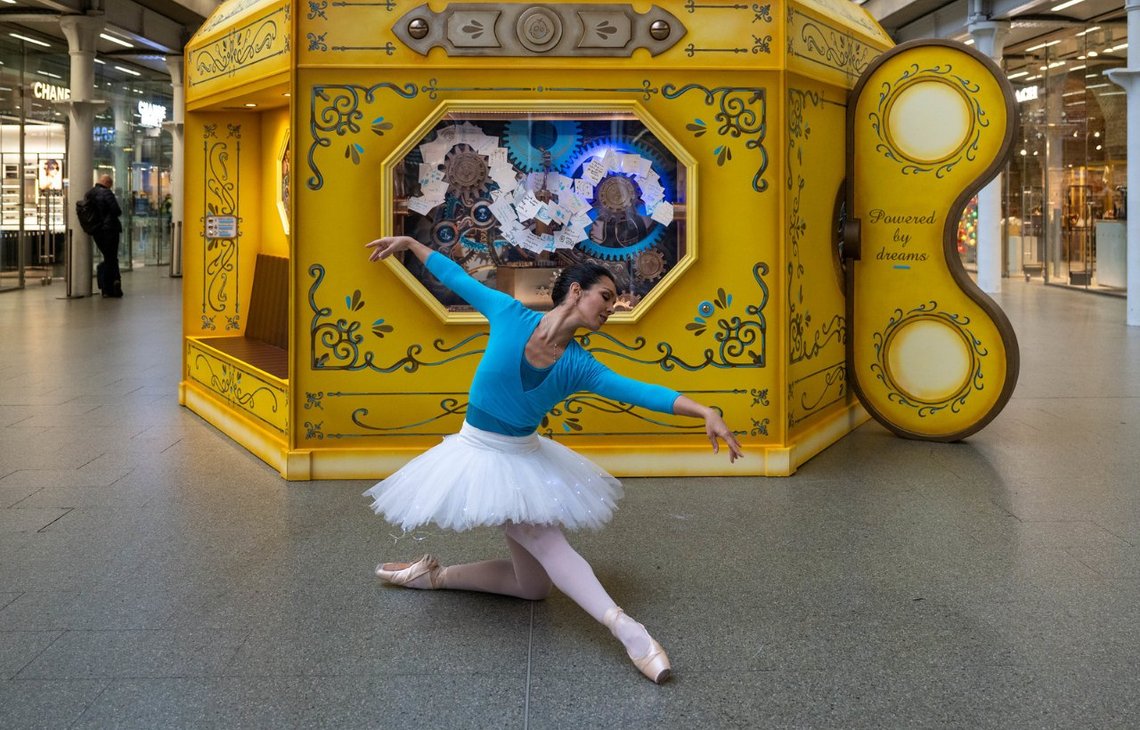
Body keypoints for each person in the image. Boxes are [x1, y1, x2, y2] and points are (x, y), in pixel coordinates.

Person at [362, 235, 744, 684]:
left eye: (616, 301)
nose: (612, 307)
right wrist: (411, 243)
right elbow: (457, 277)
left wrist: (704, 411)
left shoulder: (580, 365)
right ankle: (629, 631)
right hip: (478, 453)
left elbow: (640, 391)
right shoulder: (509, 314)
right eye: (606, 296)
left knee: (532, 587)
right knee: (544, 539)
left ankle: (432, 575)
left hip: (522, 456)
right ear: (577, 291)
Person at [85, 174, 123, 298]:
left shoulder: (89, 194)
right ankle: (110, 286)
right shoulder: (107, 193)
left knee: (109, 257)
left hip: (97, 231)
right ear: (107, 183)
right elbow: (116, 210)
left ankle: (111, 286)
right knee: (111, 258)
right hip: (110, 229)